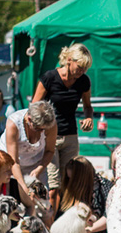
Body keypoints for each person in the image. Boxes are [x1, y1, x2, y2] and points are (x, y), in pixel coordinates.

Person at [31, 44, 94, 200]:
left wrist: (88, 118)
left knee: (70, 183)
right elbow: (34, 106)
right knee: (53, 186)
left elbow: (87, 106)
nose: (82, 71)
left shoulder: (84, 81)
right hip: (49, 136)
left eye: (85, 68)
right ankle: (51, 222)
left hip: (70, 136)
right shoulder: (50, 77)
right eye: (80, 67)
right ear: (69, 60)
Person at [55, 156, 114, 233]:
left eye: (73, 180)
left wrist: (88, 231)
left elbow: (109, 216)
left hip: (95, 231)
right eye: (68, 179)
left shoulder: (104, 186)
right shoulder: (66, 189)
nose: (70, 183)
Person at [0, 100, 57, 200]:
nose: (42, 132)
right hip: (10, 164)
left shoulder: (50, 124)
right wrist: (24, 188)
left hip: (36, 164)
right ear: (29, 120)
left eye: (44, 129)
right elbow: (14, 162)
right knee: (14, 199)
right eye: (38, 129)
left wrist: (39, 169)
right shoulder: (14, 123)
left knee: (42, 201)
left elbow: (50, 151)